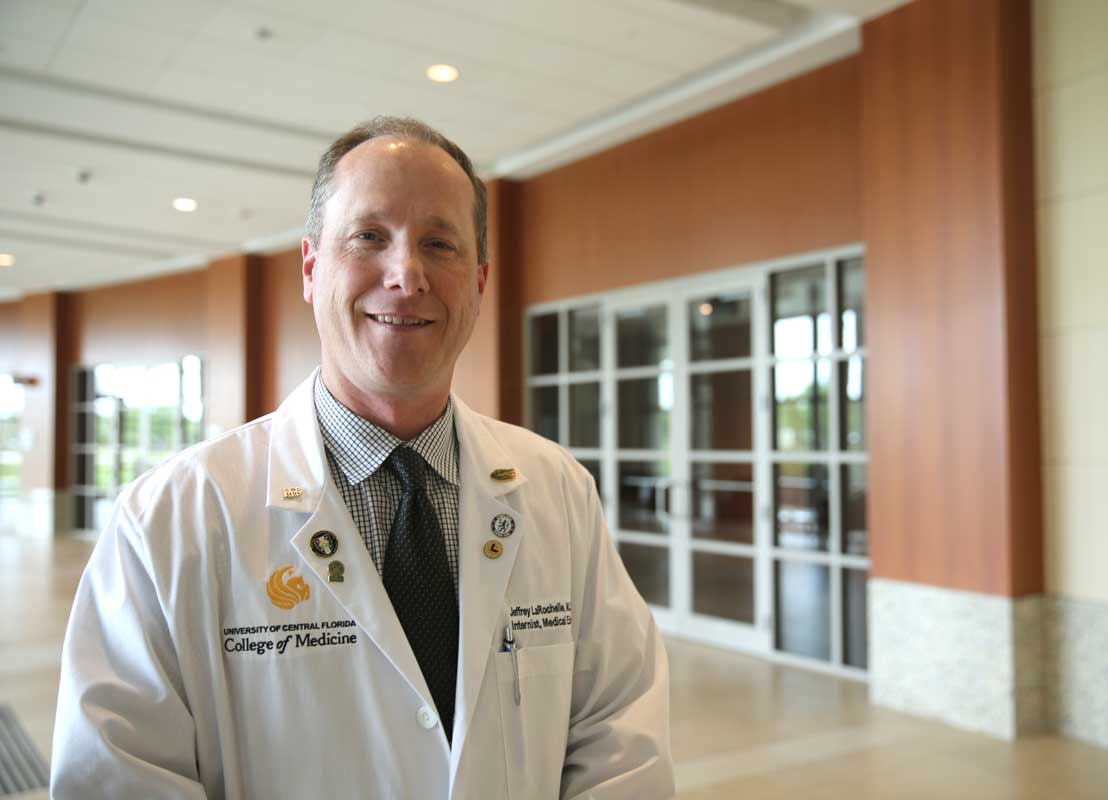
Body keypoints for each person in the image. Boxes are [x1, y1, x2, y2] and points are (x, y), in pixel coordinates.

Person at [50, 116, 674, 799]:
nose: (406, 275)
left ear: (480, 281)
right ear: (312, 268)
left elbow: (621, 737)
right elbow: (115, 776)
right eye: (368, 237)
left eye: (440, 243)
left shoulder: (557, 489)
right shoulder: (172, 518)